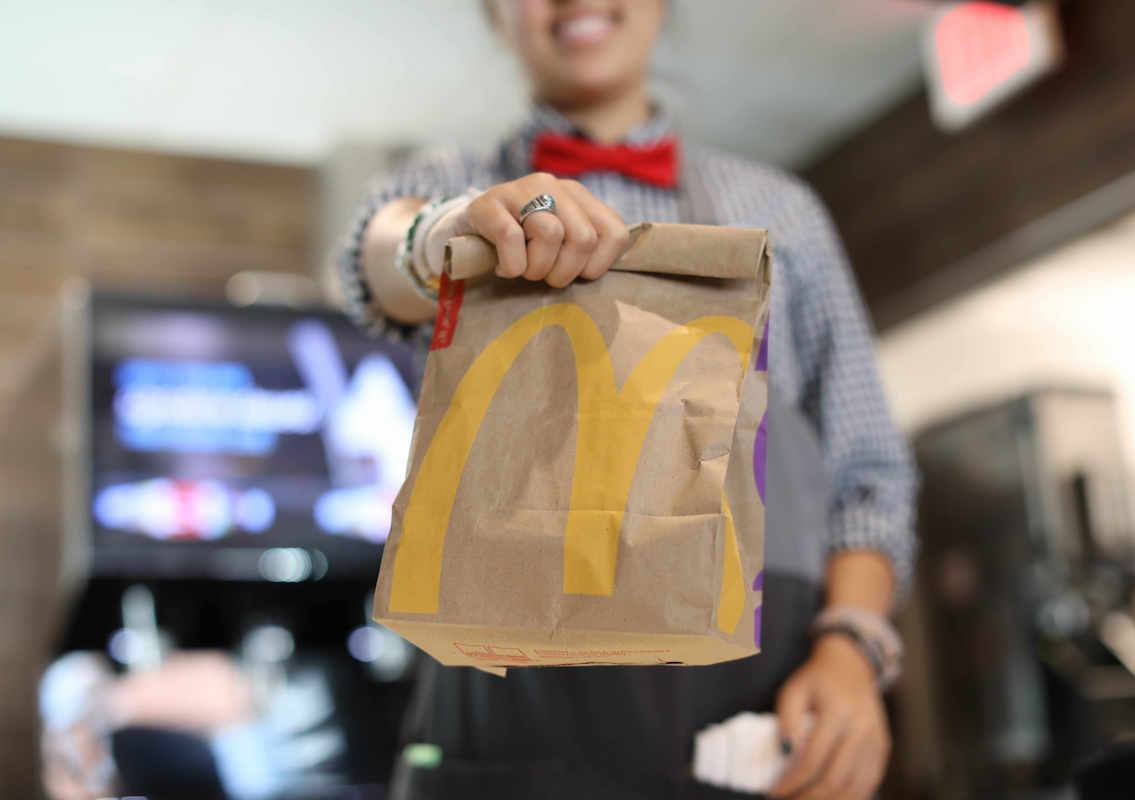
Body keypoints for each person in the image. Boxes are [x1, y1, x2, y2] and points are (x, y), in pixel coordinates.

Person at [337, 2, 916, 798]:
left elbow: (868, 474)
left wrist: (852, 646)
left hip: (753, 708)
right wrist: (442, 234)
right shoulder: (450, 183)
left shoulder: (783, 214)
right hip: (508, 721)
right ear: (497, 15)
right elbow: (377, 253)